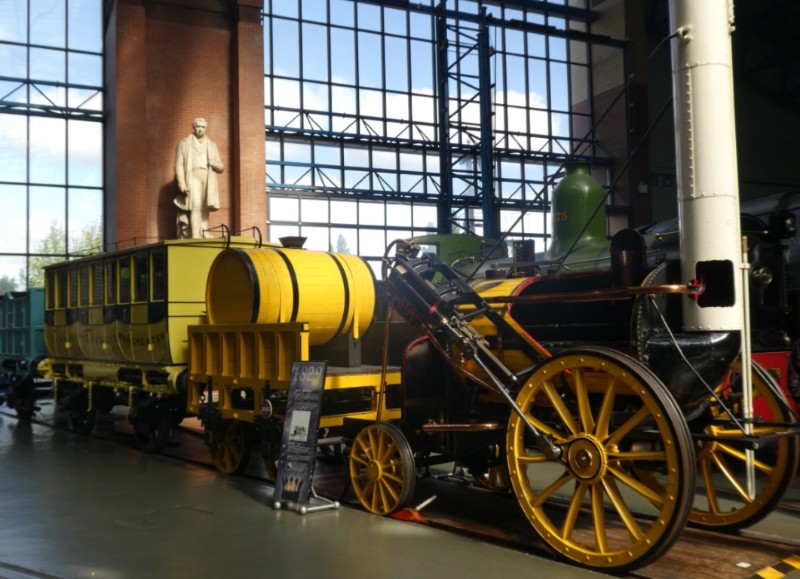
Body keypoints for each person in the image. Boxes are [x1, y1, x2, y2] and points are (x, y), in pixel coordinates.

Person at [174, 117, 224, 238]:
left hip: (207, 177)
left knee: (205, 205)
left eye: (202, 127)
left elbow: (221, 167)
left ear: (205, 128)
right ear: (194, 127)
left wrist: (214, 164)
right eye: (198, 127)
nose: (200, 129)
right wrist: (181, 183)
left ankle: (203, 230)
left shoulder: (212, 145)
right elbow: (179, 164)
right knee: (195, 204)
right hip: (192, 176)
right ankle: (195, 234)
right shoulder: (184, 143)